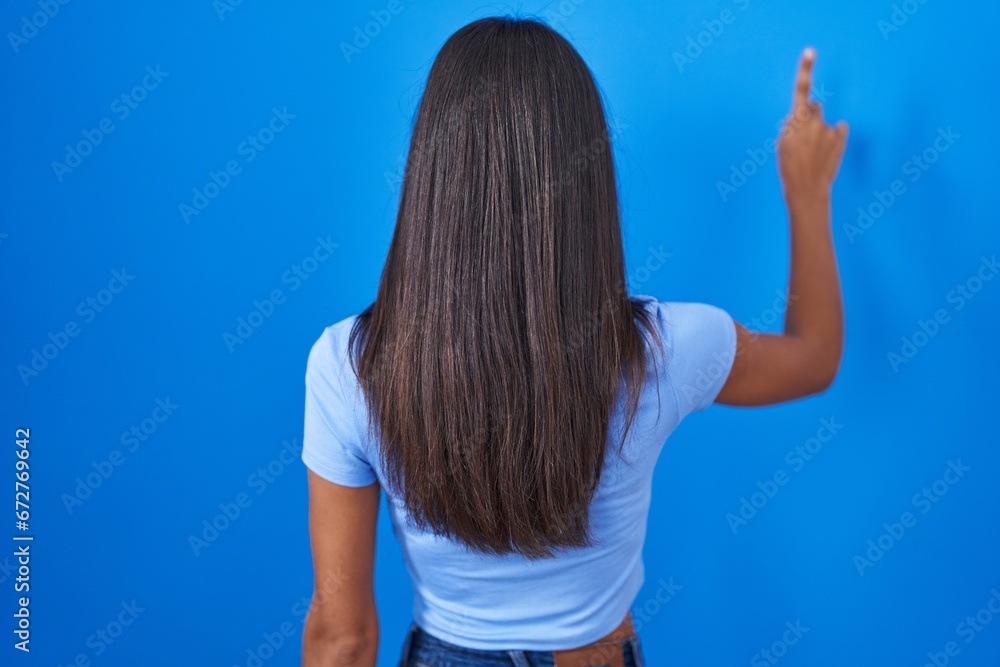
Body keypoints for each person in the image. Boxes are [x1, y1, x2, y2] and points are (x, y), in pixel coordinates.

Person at [300, 16, 848, 667]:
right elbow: (814, 357)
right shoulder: (666, 348)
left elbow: (344, 637)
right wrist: (806, 192)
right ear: (584, 178)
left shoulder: (349, 364)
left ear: (432, 173)